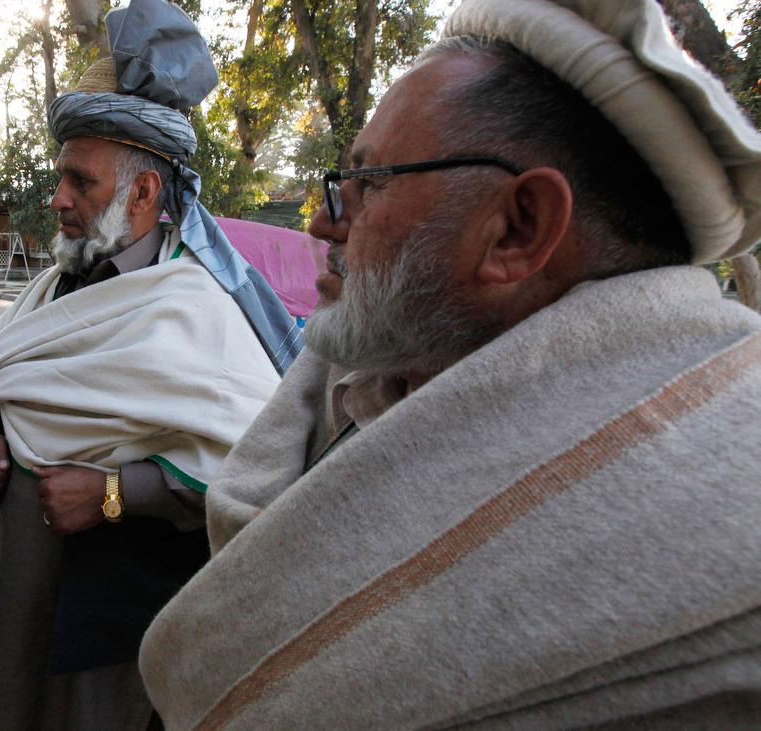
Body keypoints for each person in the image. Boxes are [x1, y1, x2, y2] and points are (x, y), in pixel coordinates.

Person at [139, 0, 761, 728]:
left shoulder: (719, 522)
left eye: (370, 183)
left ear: (516, 229)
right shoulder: (355, 383)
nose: (323, 221)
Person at [0, 1, 302, 728]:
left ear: (144, 192)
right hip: (24, 598)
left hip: (116, 628)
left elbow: (257, 463)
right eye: (61, 176)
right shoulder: (55, 285)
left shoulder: (197, 308)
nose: (58, 198)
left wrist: (115, 491)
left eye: (80, 181)